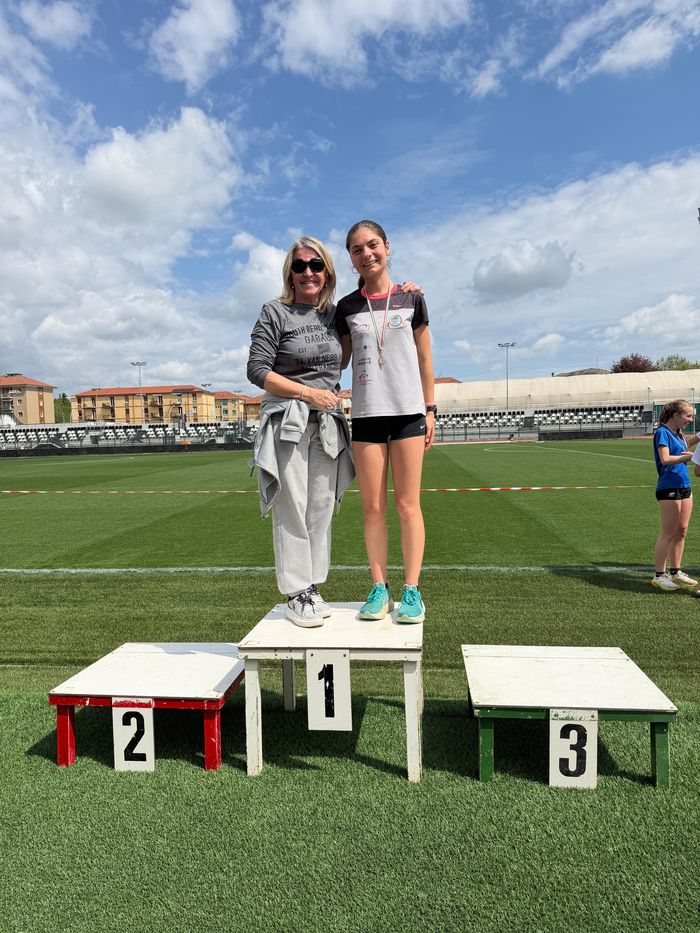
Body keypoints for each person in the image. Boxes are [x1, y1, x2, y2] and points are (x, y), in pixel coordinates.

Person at [248, 236, 354, 627]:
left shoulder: (334, 315)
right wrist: (309, 392)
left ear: (327, 272)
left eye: (316, 265)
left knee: (321, 506)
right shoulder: (275, 312)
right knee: (292, 505)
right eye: (299, 266)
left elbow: (369, 308)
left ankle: (313, 585)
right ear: (289, 274)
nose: (308, 272)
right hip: (288, 419)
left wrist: (404, 292)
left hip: (327, 424)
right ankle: (296, 590)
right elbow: (258, 370)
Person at [336, 220, 435, 624]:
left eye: (372, 245)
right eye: (357, 249)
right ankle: (380, 587)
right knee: (373, 508)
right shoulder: (346, 308)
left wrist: (430, 408)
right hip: (367, 416)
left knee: (407, 504)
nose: (366, 254)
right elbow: (338, 360)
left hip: (408, 412)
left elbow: (426, 358)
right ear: (351, 259)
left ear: (388, 247)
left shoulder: (413, 299)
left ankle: (412, 590)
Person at [651, 399, 699, 591]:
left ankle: (675, 571)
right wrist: (691, 456)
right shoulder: (662, 432)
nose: (690, 419)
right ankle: (659, 575)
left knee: (682, 530)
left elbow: (686, 449)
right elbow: (665, 459)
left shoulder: (679, 434)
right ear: (675, 415)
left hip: (684, 485)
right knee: (668, 533)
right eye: (688, 415)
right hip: (668, 486)